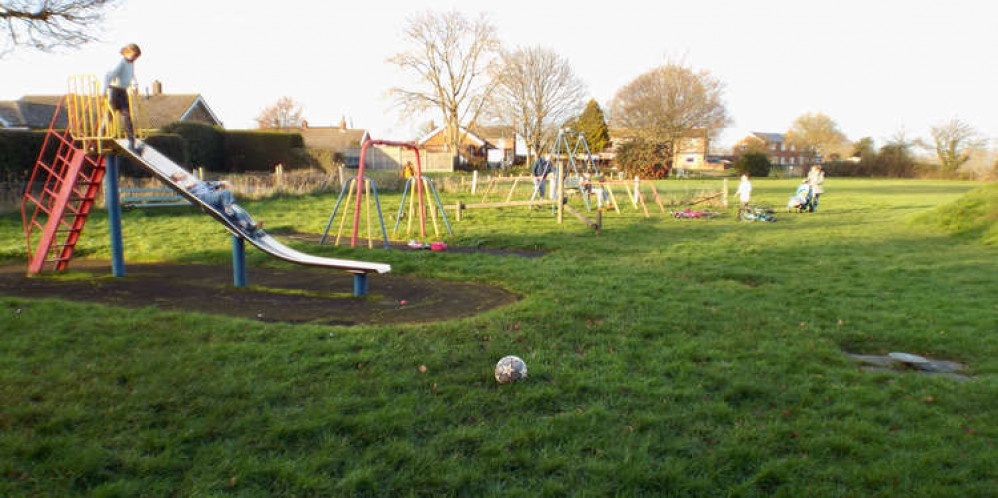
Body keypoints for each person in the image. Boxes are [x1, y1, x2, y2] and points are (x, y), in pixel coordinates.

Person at [170, 171, 263, 235]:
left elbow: (208, 184)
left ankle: (249, 227)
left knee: (234, 213)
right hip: (204, 198)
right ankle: (228, 208)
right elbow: (187, 188)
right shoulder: (181, 184)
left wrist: (222, 182)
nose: (182, 173)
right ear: (177, 178)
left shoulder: (192, 180)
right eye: (179, 173)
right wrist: (189, 183)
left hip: (211, 197)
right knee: (225, 193)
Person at [104, 43, 142, 151]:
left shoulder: (131, 63)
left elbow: (132, 75)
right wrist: (104, 90)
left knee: (127, 115)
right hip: (114, 90)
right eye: (134, 56)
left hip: (123, 91)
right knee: (110, 115)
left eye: (136, 57)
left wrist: (135, 86)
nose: (135, 59)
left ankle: (131, 140)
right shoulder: (120, 62)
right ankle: (99, 137)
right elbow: (110, 75)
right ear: (127, 53)